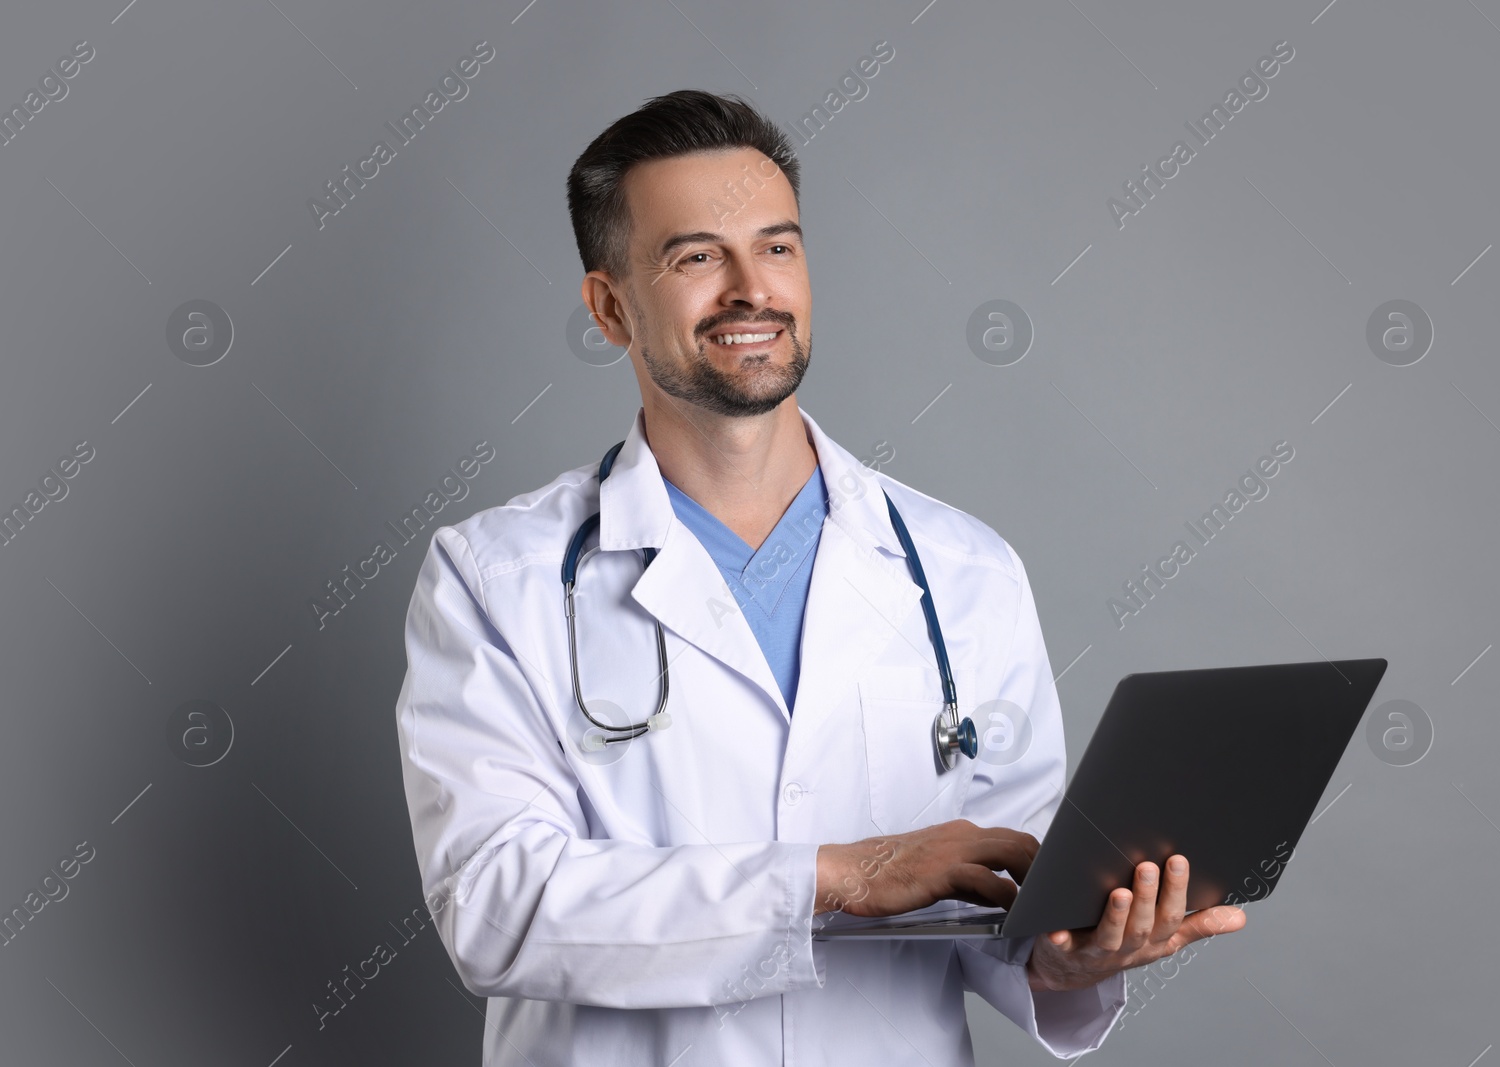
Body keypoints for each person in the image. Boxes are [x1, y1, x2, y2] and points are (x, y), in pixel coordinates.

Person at [394, 89, 1245, 1066]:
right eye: (696, 255)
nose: (751, 289)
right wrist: (833, 876)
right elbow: (495, 907)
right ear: (609, 305)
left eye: (779, 246)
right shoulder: (498, 577)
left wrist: (1075, 954)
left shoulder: (962, 571)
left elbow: (1008, 907)